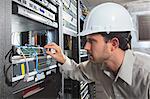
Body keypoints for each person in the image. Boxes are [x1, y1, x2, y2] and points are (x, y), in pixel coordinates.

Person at [44, 2, 150, 99]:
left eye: (92, 41)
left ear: (113, 44)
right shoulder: (98, 66)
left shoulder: (146, 75)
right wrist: (62, 58)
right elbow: (77, 71)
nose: (86, 47)